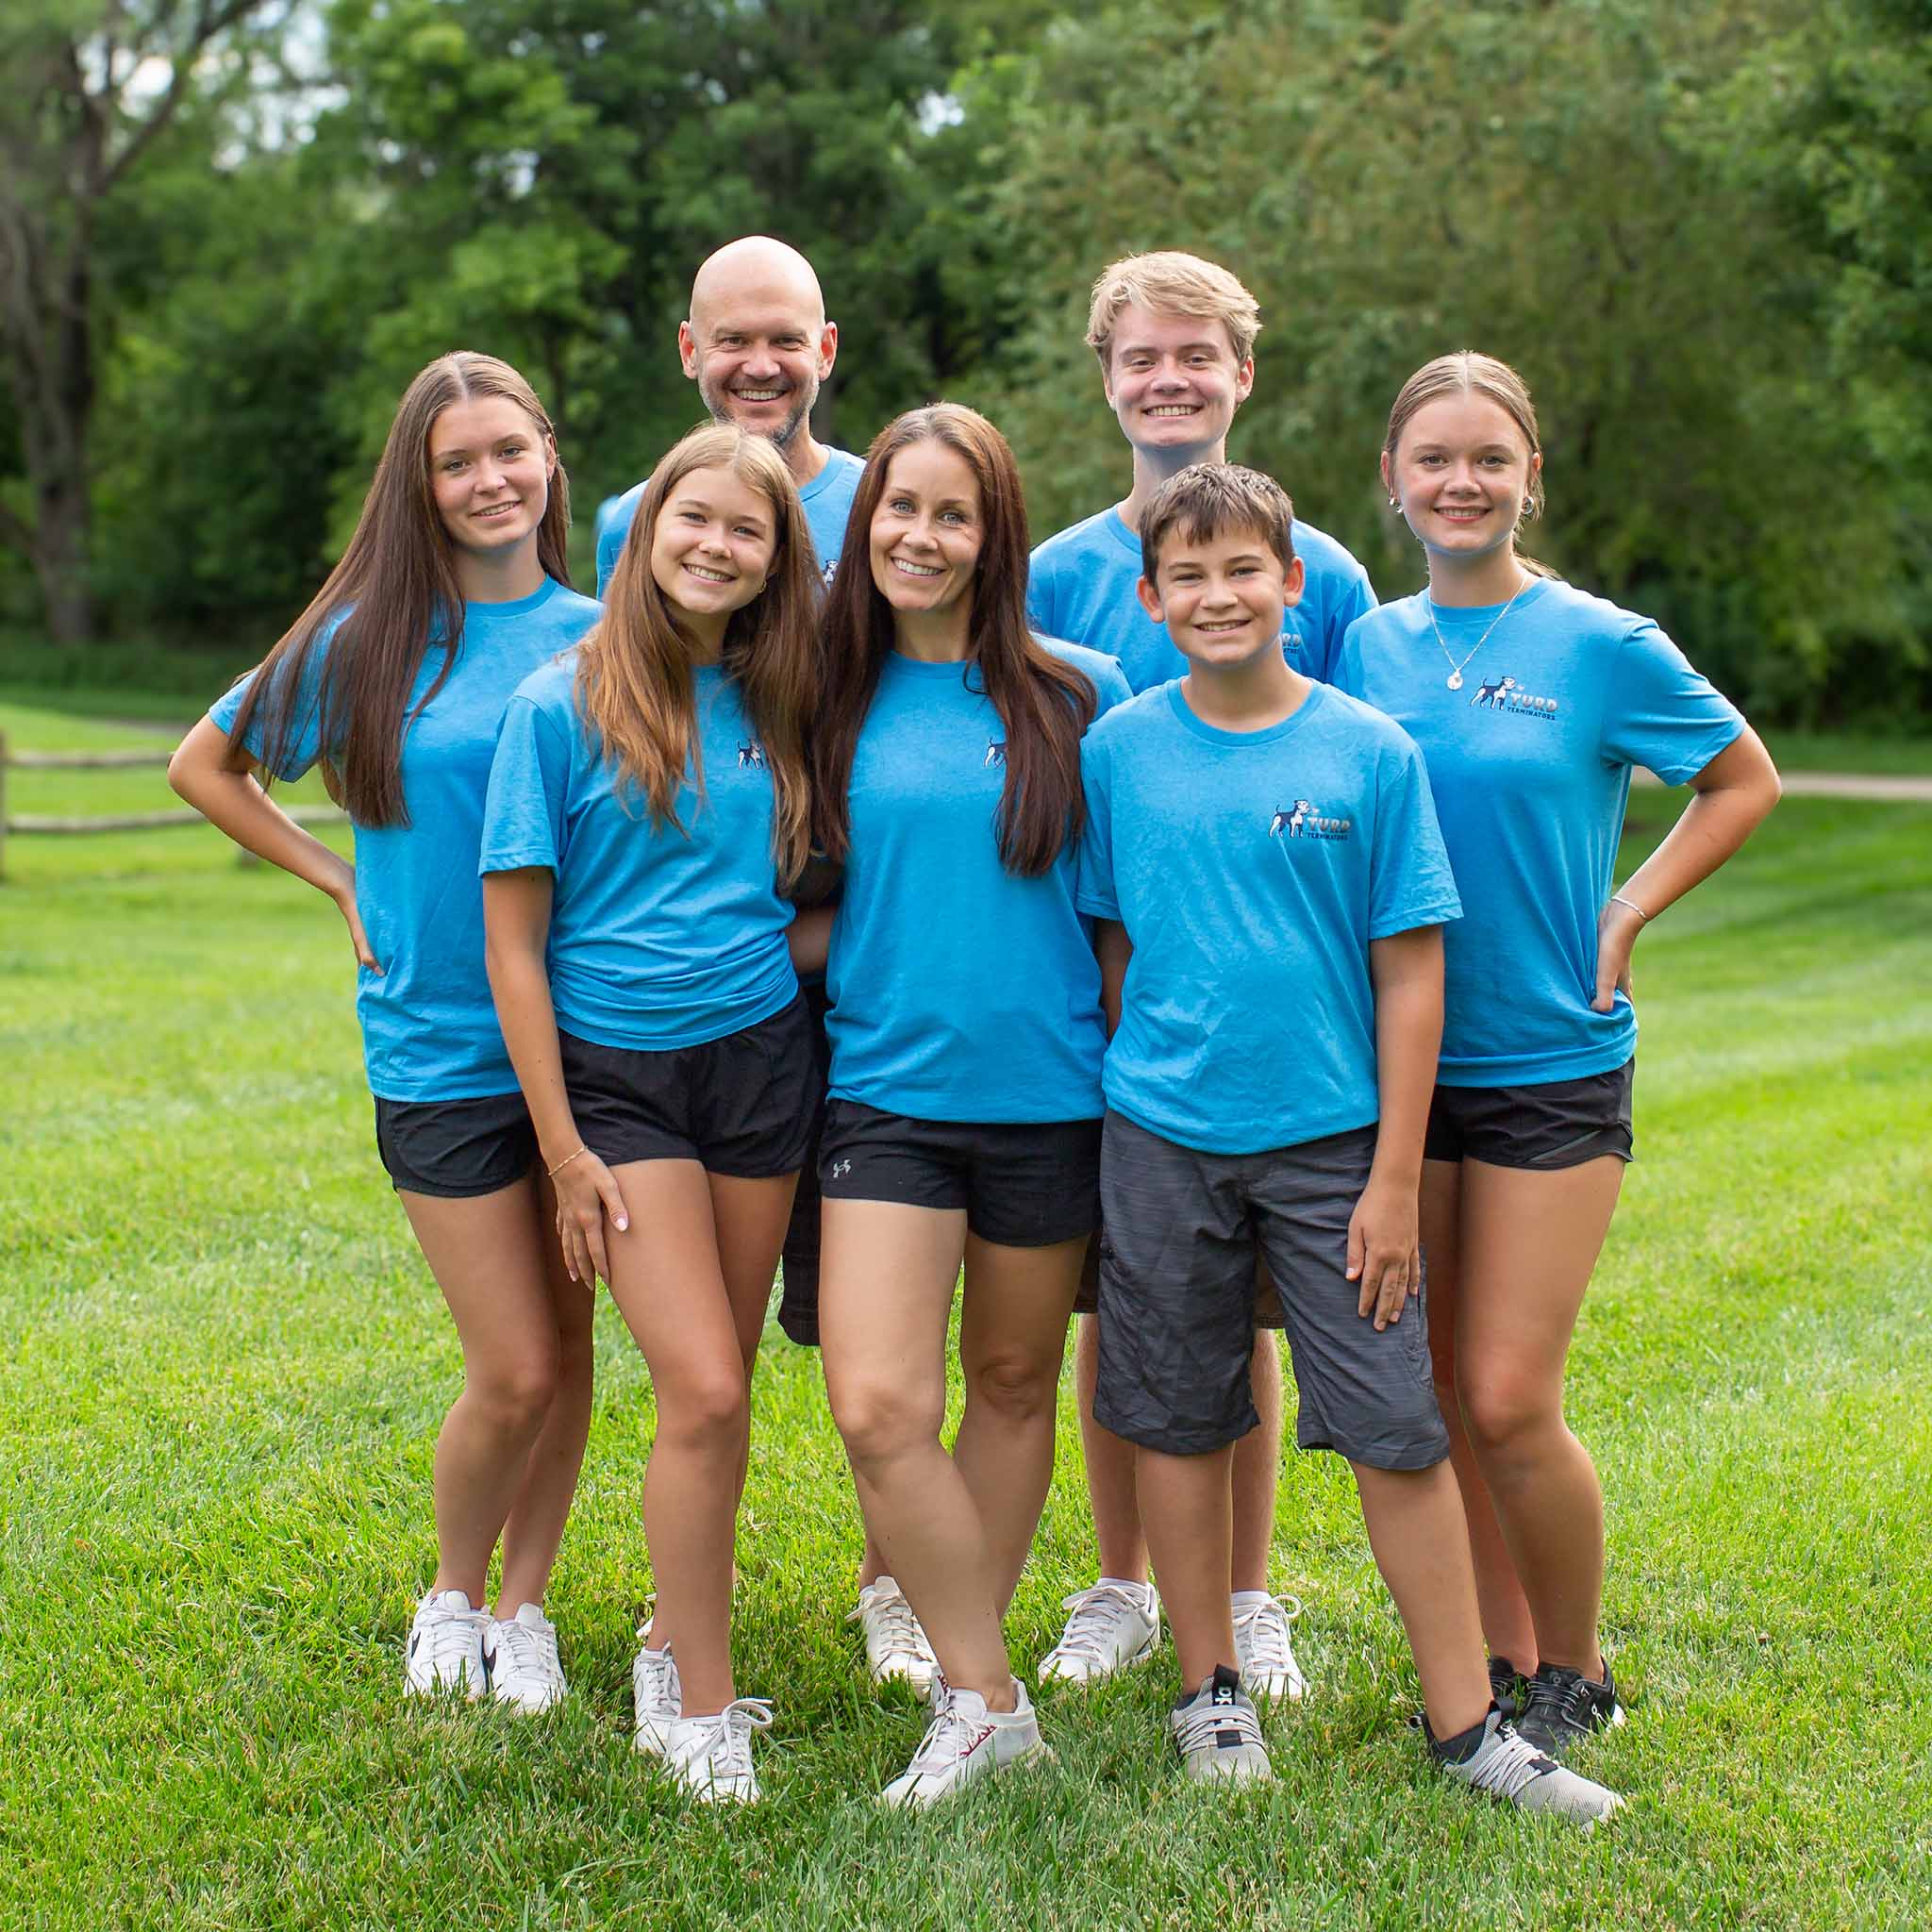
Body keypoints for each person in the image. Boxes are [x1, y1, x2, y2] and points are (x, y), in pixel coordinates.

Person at [1077, 460, 1622, 1821]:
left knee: (1397, 1429)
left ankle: (1469, 1724)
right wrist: (1141, 1099)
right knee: (1180, 1412)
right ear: (1151, 597)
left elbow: (1410, 973)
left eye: (1242, 570)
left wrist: (1391, 1175)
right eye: (1187, 576)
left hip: (1336, 1149)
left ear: (1293, 583)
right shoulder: (1119, 749)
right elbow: (1113, 943)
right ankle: (1211, 1693)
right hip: (1161, 1141)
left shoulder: (1367, 750)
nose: (1217, 595)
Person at [1334, 351, 1781, 1757]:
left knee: (1516, 1393)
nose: (1461, 482)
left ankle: (1578, 1666)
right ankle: (1501, 1654)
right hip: (1401, 1074)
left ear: (1532, 475)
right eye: (1433, 460)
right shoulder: (1365, 647)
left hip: (1547, 1062)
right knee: (1443, 1389)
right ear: (1395, 481)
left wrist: (1631, 903)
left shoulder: (1602, 644)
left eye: (1489, 458)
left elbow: (1742, 777)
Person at [168, 352, 603, 1711]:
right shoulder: (366, 638)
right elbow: (205, 762)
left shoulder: (609, 633)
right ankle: (454, 1591)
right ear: (420, 486)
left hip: (589, 1048)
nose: (489, 481)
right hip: (436, 1045)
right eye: (456, 462)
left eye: (509, 451)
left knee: (573, 1346)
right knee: (513, 1364)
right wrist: (336, 874)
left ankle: (526, 1609)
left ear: (548, 459)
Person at [1027, 251, 1376, 1695]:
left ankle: (1247, 1595)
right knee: (1125, 1304)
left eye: (1197, 356)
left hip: (1278, 1026)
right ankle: (1120, 1583)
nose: (1169, 380)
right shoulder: (1052, 572)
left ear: (1242, 372)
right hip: (1107, 1001)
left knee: (1244, 1320)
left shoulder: (1324, 571)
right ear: (1106, 377)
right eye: (1142, 358)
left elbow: (1353, 780)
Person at [477, 424, 822, 1804]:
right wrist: (560, 1151)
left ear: (772, 559)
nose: (717, 547)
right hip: (617, 1083)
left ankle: (673, 1640)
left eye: (748, 532)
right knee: (707, 1386)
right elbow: (515, 947)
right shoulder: (555, 708)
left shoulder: (779, 701)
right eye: (697, 519)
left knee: (717, 1400)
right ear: (646, 529)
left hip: (761, 1070)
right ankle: (696, 1701)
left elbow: (786, 906)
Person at [808, 404, 1133, 1804]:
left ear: (996, 536)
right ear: (864, 519)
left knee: (1011, 1386)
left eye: (954, 515)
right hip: (882, 1093)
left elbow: (1121, 920)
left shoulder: (1083, 692)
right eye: (900, 508)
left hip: (1055, 1100)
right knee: (880, 1403)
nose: (921, 538)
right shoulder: (815, 692)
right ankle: (993, 1691)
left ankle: (964, 1697)